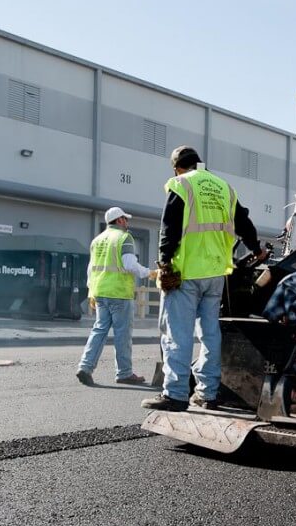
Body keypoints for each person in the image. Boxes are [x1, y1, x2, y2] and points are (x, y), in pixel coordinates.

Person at [141, 146, 269, 412]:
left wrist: (164, 263)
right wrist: (257, 249)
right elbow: (244, 222)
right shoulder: (224, 187)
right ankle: (207, 393)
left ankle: (175, 394)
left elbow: (170, 228)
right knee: (210, 334)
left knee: (178, 333)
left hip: (186, 272)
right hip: (216, 274)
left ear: (177, 167)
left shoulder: (181, 184)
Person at [76, 206, 156, 386]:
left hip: (100, 293)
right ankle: (124, 373)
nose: (127, 223)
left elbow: (91, 269)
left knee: (99, 330)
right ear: (119, 220)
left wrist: (90, 292)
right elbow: (130, 264)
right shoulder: (124, 237)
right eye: (125, 219)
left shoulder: (97, 240)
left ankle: (85, 367)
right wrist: (150, 273)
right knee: (122, 334)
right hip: (119, 293)